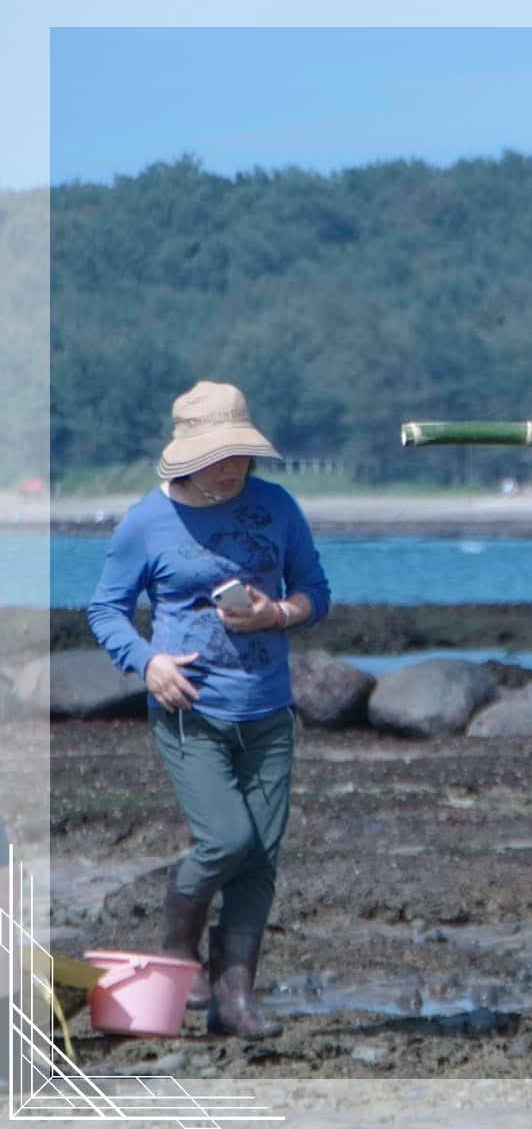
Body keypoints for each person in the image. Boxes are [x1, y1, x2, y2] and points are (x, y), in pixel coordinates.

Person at [85, 381, 331, 1039]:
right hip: (190, 707)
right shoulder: (146, 521)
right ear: (187, 457)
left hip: (269, 709)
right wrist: (148, 663)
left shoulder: (277, 506)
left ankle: (234, 1001)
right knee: (227, 839)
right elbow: (106, 610)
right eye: (217, 458)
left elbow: (315, 590)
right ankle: (175, 951)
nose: (231, 470)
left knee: (260, 858)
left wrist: (279, 613)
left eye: (239, 456)